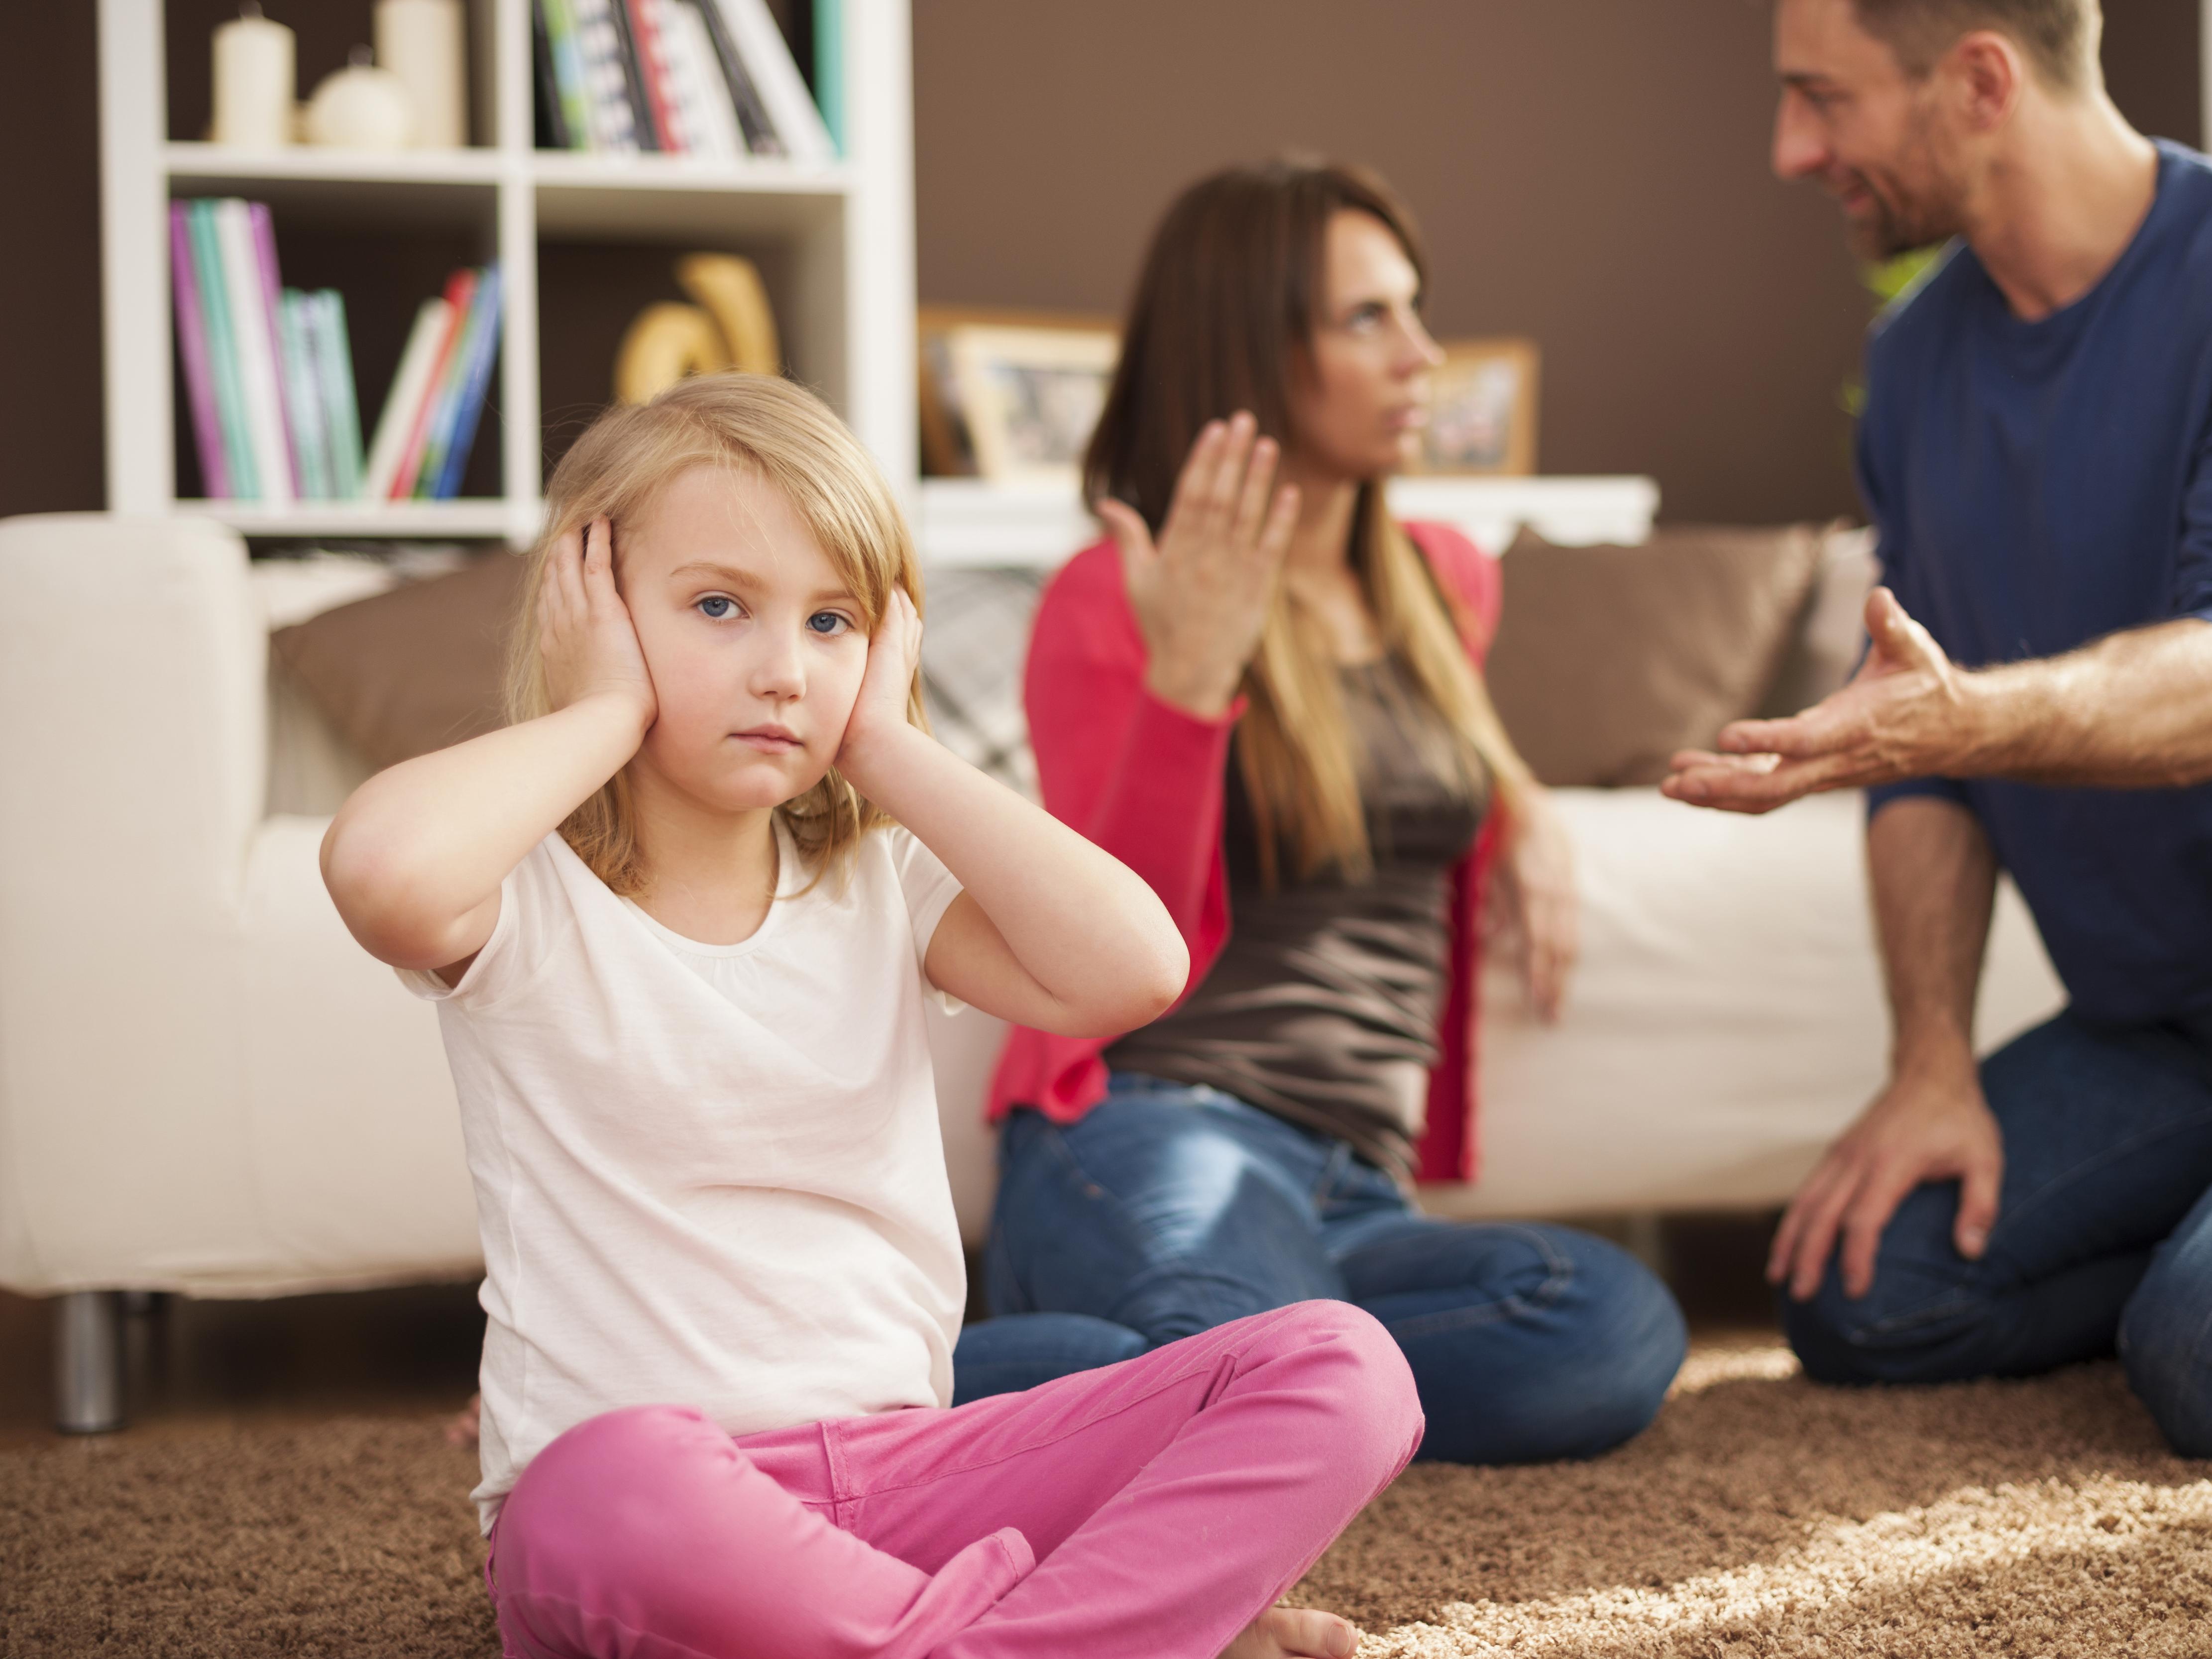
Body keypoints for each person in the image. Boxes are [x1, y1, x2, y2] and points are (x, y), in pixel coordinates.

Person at [322, 373, 1421, 1659]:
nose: (783, 671)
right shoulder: (522, 895)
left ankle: (967, 1642)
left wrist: (889, 747)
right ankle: (1101, 1637)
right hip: (649, 1505)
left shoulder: (880, 884)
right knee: (605, 1480)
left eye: (831, 621)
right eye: (718, 608)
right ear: (596, 611)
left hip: (906, 1490)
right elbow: (383, 875)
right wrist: (604, 710)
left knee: (1346, 1367)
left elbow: (1135, 970)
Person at [1663, 0, 2212, 1462]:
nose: (1793, 150)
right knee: (1864, 1298)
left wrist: (1958, 719)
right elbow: (1917, 759)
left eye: (1823, 100)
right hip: (2162, 1030)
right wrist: (1932, 1063)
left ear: (1980, 79)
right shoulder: (1918, 364)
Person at [958, 160, 1686, 1464]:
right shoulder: (1109, 600)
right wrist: (1193, 676)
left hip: (1357, 1184)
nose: (1423, 355)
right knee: (1244, 1350)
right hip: (1154, 1122)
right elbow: (1111, 940)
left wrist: (1519, 796)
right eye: (1369, 320)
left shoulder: (1442, 583)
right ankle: (803, 1384)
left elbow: (1421, 762)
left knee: (1608, 1329)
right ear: (1251, 349)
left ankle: (1219, 1382)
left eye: (1416, 310)